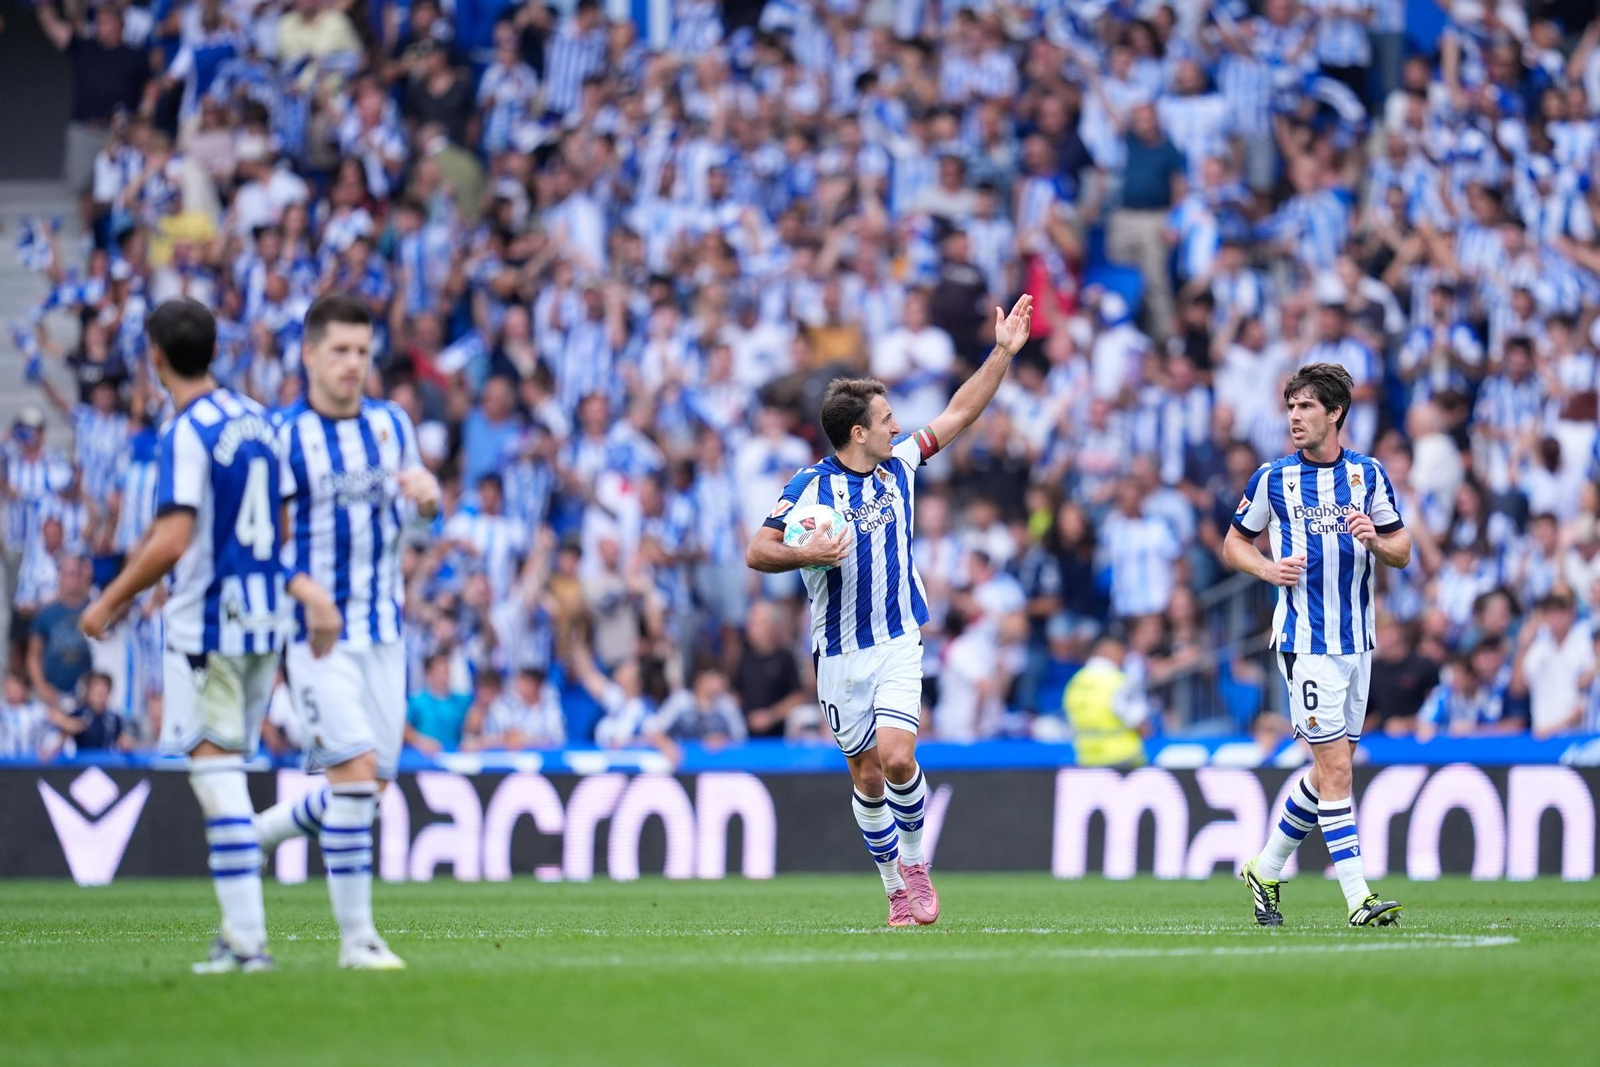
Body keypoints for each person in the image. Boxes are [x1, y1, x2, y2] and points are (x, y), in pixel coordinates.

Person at [746, 292, 1034, 928]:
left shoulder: (901, 465)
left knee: (900, 757)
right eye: (886, 419)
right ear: (858, 433)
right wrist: (807, 552)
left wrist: (1002, 354)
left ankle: (916, 865)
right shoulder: (809, 490)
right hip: (839, 653)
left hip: (899, 638)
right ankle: (892, 888)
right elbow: (757, 550)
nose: (897, 427)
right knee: (868, 778)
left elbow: (960, 411)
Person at [78, 299, 293, 973]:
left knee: (216, 777)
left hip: (209, 626)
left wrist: (110, 599)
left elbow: (173, 538)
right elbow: (271, 522)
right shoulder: (257, 416)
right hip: (264, 619)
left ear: (156, 356)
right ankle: (240, 932)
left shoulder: (185, 430)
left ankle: (247, 941)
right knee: (229, 771)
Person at [251, 293, 439, 971]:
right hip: (316, 638)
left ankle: (263, 832)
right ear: (308, 355)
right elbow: (248, 543)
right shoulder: (277, 438)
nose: (352, 364)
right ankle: (358, 941)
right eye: (339, 351)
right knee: (355, 777)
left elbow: (420, 531)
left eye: (362, 352)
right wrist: (305, 592)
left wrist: (430, 505)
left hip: (386, 634)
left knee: (370, 788)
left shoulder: (391, 426)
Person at [1223, 362, 1412, 929]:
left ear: (1335, 414)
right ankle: (1358, 899)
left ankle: (1266, 867)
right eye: (1290, 408)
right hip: (1305, 641)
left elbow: (1403, 550)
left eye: (1306, 407)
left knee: (1331, 770)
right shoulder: (1272, 478)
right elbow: (1234, 544)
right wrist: (1267, 569)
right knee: (1335, 770)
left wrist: (1375, 540)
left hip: (1359, 642)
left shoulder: (1369, 476)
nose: (1295, 418)